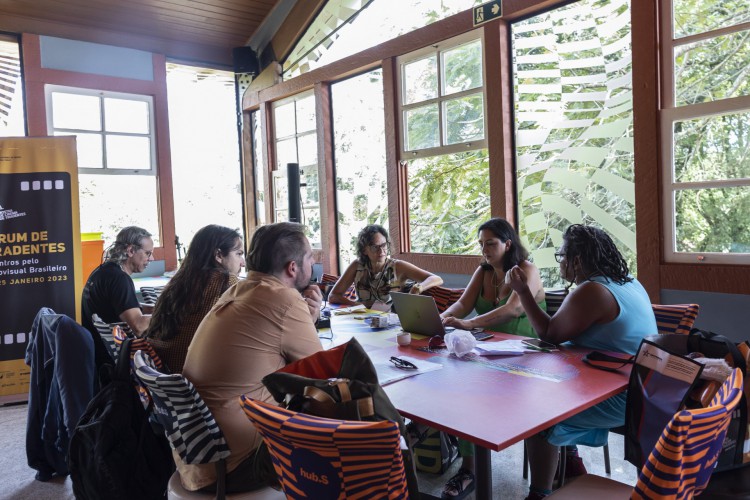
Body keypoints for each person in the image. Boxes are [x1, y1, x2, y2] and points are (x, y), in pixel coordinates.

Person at [507, 224, 657, 500]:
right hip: (643, 385)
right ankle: (571, 462)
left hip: (622, 396)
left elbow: (549, 335)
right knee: (553, 391)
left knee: (537, 416)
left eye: (562, 256)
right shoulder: (628, 281)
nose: (560, 262)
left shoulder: (592, 290)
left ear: (577, 260)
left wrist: (523, 291)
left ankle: (539, 494)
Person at [180, 222, 323, 493]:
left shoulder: (238, 290)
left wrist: (307, 321)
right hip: (239, 461)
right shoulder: (286, 301)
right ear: (293, 267)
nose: (313, 262)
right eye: (310, 257)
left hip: (199, 455)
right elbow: (324, 381)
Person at [437, 218, 546, 499]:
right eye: (482, 243)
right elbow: (464, 303)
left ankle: (469, 469)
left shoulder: (527, 270)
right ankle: (462, 462)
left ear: (507, 244)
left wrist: (470, 325)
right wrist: (442, 318)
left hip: (527, 357)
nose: (485, 249)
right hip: (490, 352)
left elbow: (512, 310)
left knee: (471, 391)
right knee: (449, 381)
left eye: (491, 243)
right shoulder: (483, 272)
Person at [145, 225, 244, 373]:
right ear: (218, 255)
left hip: (164, 370)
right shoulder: (226, 281)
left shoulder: (179, 280)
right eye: (239, 254)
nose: (243, 262)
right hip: (190, 371)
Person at [81, 226, 154, 368]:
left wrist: (161, 308)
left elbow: (128, 307)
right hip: (113, 357)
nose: (151, 258)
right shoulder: (119, 280)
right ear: (131, 250)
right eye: (147, 253)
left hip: (96, 349)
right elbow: (138, 326)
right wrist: (170, 315)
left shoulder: (103, 271)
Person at [329, 224, 443, 310]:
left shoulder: (398, 266)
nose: (381, 251)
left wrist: (419, 287)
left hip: (391, 321)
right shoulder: (357, 266)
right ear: (364, 250)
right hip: (361, 318)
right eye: (375, 247)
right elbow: (333, 296)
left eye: (384, 245)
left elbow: (437, 279)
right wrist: (357, 305)